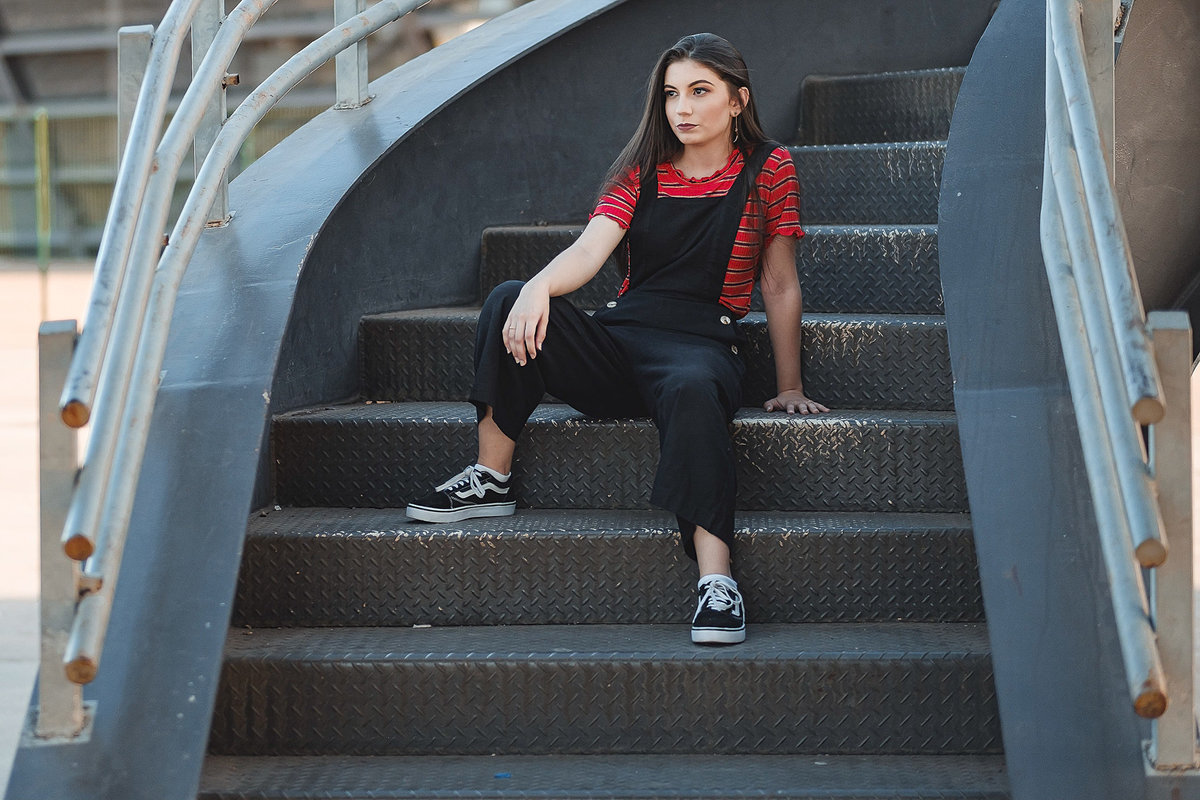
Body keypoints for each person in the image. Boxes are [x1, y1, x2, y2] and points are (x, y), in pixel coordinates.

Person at [406, 32, 829, 645]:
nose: (681, 108)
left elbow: (779, 282)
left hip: (699, 347)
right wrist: (537, 287)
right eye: (671, 94)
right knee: (506, 298)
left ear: (738, 100)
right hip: (621, 340)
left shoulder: (770, 168)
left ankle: (717, 581)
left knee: (693, 387)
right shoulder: (642, 169)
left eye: (699, 92)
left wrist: (789, 385)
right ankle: (490, 478)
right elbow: (589, 250)